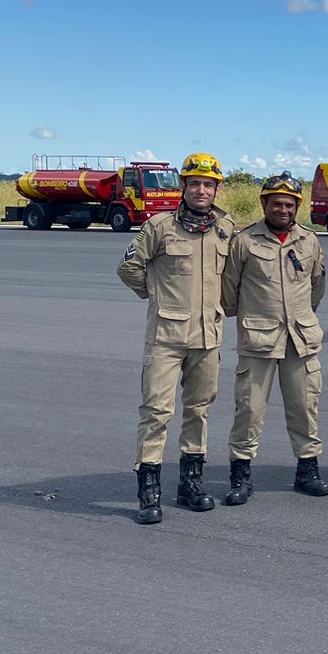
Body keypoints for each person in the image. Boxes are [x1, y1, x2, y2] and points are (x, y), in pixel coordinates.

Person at [116, 152, 237, 525]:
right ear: (183, 186)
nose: (202, 190)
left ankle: (190, 483)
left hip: (207, 337)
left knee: (198, 411)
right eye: (195, 183)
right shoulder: (159, 226)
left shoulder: (225, 228)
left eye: (209, 184)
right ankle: (148, 488)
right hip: (166, 337)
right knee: (156, 412)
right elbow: (129, 267)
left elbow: (231, 277)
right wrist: (157, 297)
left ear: (217, 189)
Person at [220, 172, 328, 504]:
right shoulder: (244, 241)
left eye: (289, 204)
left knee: (304, 407)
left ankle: (307, 470)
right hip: (258, 340)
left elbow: (316, 287)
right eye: (276, 203)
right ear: (264, 204)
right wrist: (254, 318)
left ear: (297, 206)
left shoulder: (309, 240)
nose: (283, 209)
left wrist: (301, 316)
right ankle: (240, 474)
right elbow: (229, 292)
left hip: (300, 338)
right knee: (249, 409)